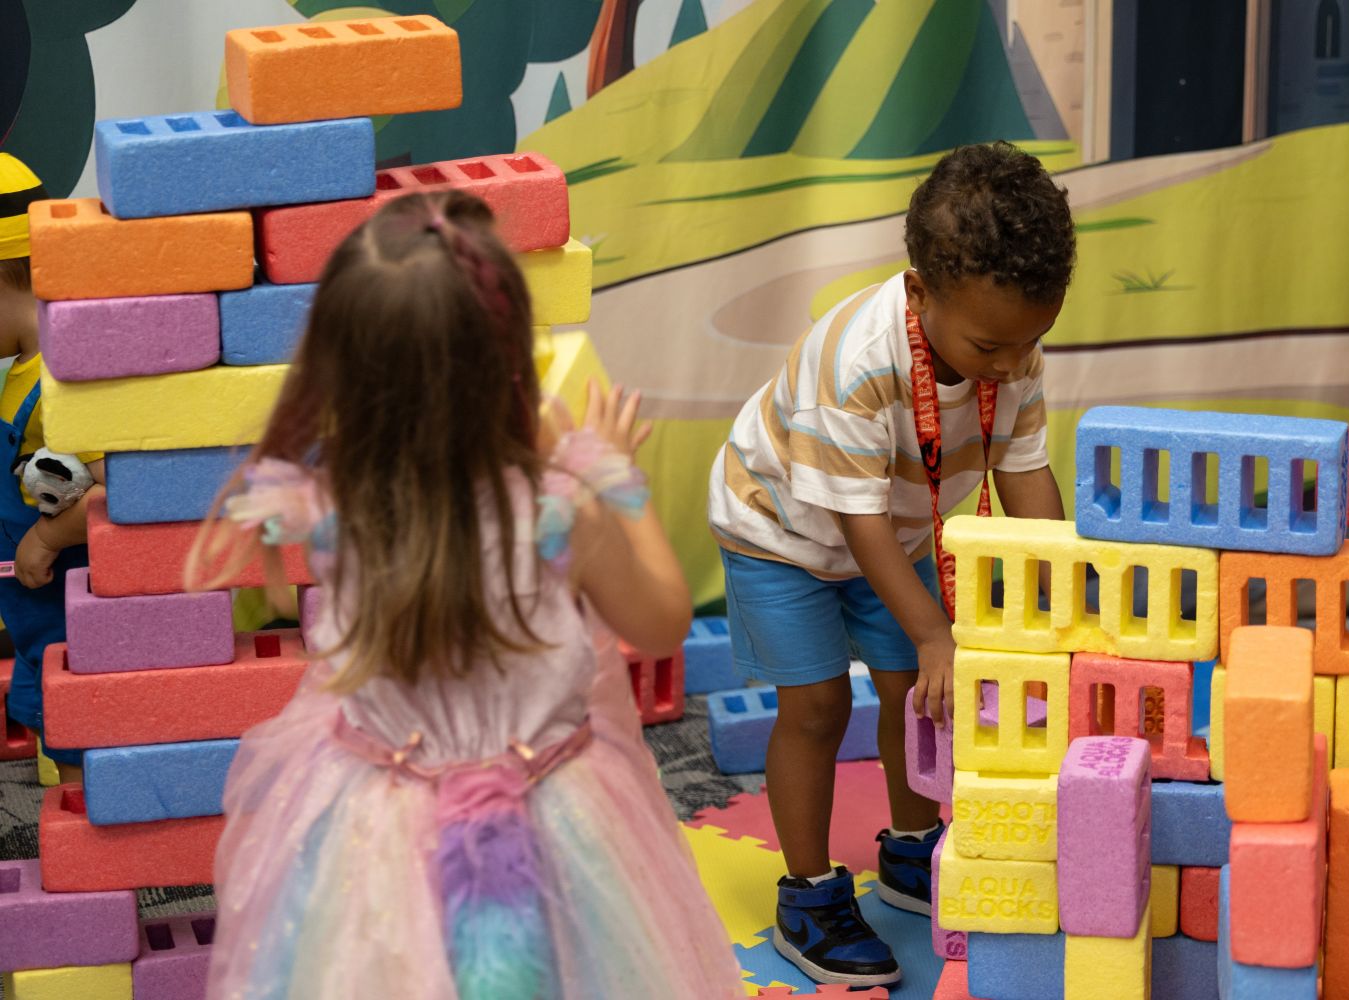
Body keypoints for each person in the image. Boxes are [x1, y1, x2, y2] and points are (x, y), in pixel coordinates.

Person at [196, 189, 743, 999]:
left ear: (341, 366)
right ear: (510, 360)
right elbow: (662, 621)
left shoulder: (333, 507)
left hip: (376, 826)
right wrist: (611, 473)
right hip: (555, 822)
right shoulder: (557, 511)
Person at [706, 142, 1077, 986]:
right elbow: (854, 519)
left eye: (1032, 342)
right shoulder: (859, 362)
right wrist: (937, 631)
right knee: (818, 705)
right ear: (919, 293)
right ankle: (807, 895)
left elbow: (1023, 470)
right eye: (992, 346)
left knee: (918, 693)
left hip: (897, 528)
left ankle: (913, 852)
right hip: (783, 534)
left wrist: (1057, 599)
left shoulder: (1008, 345)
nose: (1012, 364)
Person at [0, 152, 104, 783]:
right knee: (53, 710)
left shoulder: (64, 377)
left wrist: (46, 536)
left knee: (78, 710)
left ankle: (90, 836)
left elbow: (123, 492)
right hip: (34, 605)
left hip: (74, 600)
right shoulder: (20, 371)